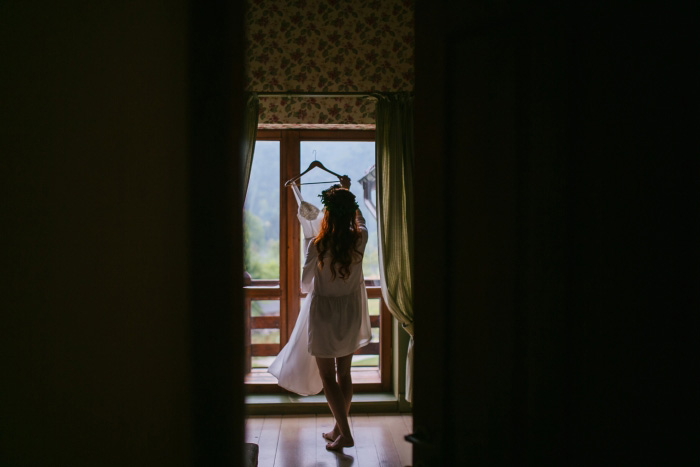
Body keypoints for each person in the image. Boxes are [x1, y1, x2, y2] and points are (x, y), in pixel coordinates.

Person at [268, 182, 371, 451]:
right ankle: (338, 429)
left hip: (324, 314)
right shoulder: (361, 238)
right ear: (351, 213)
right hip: (350, 312)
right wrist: (348, 194)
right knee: (344, 374)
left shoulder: (318, 244)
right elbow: (360, 221)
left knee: (328, 376)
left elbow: (304, 285)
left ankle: (345, 434)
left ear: (327, 214)